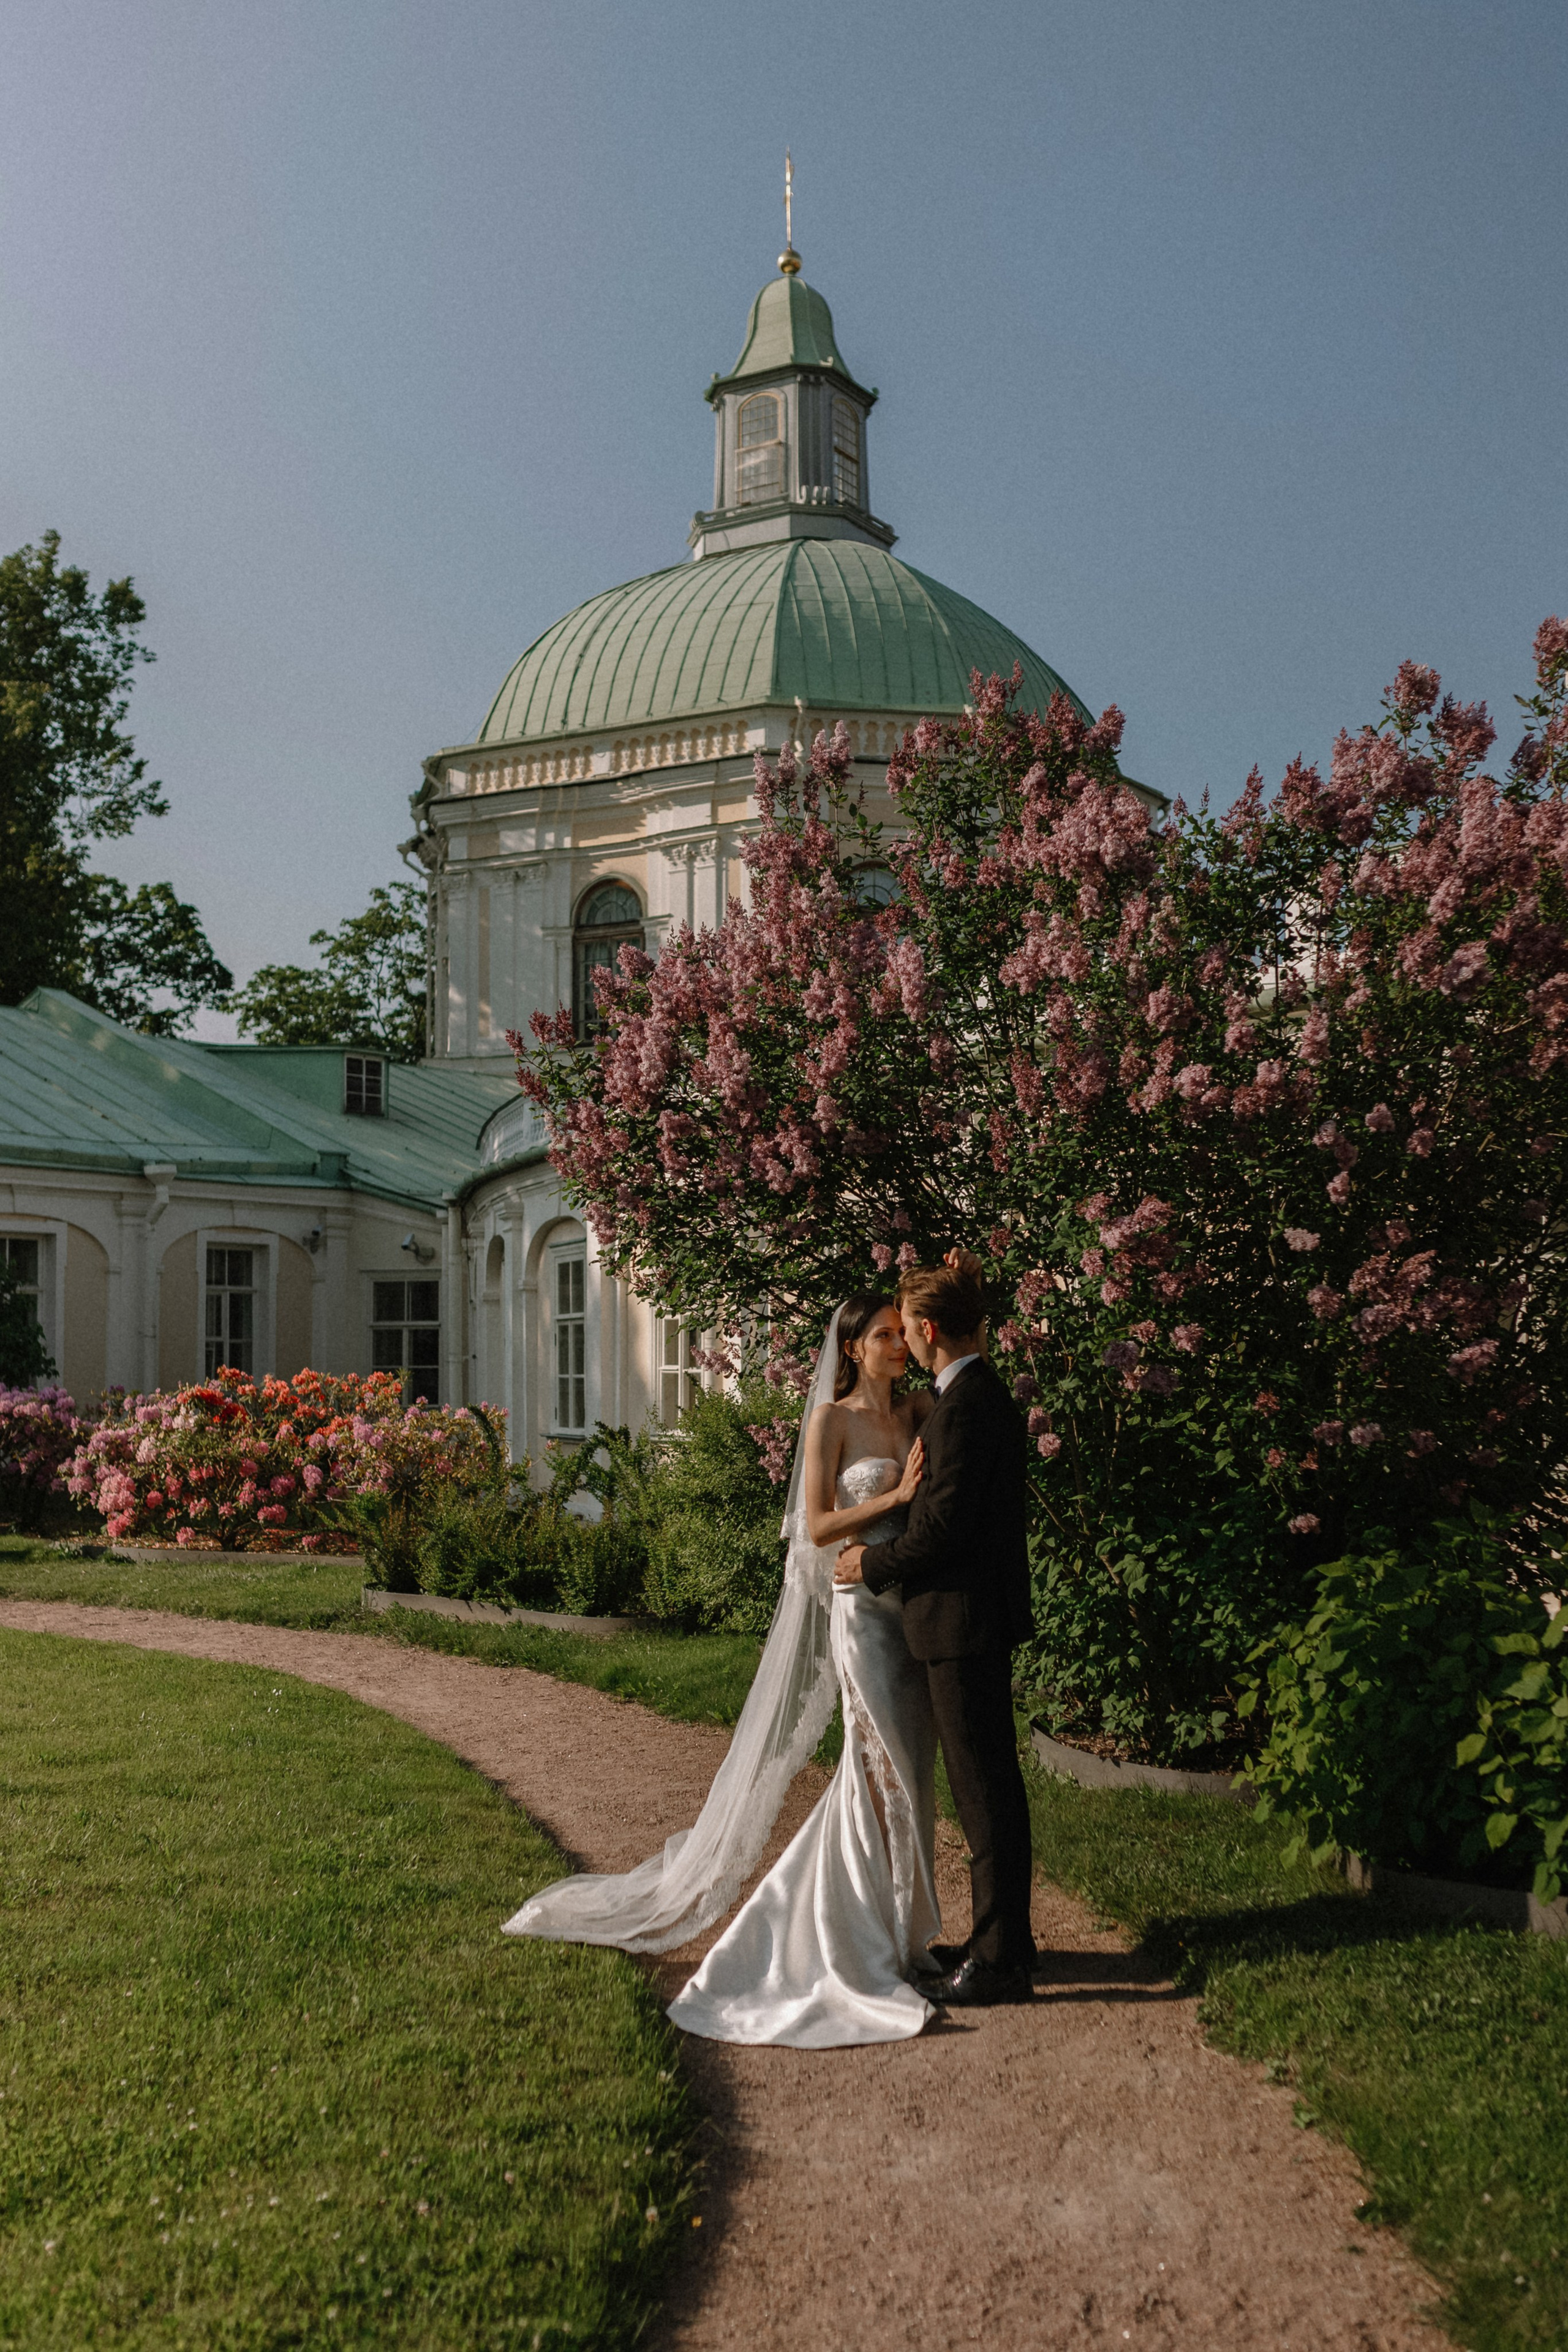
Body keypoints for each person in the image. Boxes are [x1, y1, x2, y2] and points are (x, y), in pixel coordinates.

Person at [502, 1291, 951, 2046]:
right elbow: (813, 1526)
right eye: (881, 1336)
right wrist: (898, 1494)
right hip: (859, 1615)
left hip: (908, 1602)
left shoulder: (913, 1412)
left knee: (914, 1768)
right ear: (850, 1349)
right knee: (875, 1767)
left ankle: (904, 1933)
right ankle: (848, 1937)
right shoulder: (830, 1422)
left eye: (896, 1336)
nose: (895, 1346)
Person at [834, 1261, 1035, 2006]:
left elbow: (944, 1531)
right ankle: (1001, 1940)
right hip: (968, 1617)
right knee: (987, 1787)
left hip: (962, 1619)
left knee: (983, 1794)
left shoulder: (966, 1406)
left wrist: (869, 1563)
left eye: (908, 1329)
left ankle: (1002, 1962)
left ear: (924, 1333)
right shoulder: (969, 1396)